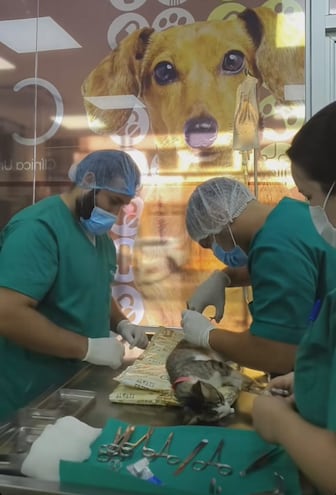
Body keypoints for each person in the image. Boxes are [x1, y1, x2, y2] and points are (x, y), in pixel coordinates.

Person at [0, 149, 151, 422]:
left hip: (74, 389)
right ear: (88, 181)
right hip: (29, 395)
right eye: (113, 201)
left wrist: (122, 324)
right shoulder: (37, 229)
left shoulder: (98, 236)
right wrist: (88, 348)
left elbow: (94, 287)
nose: (115, 214)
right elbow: (8, 314)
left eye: (123, 206)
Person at [252, 101, 336, 494]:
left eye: (312, 197)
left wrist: (279, 423)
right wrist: (313, 381)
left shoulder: (276, 242)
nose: (313, 213)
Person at [180, 167, 336, 374]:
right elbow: (292, 271)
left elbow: (274, 353)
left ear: (220, 222)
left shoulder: (274, 247)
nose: (215, 252)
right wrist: (224, 277)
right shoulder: (290, 214)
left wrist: (207, 335)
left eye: (209, 244)